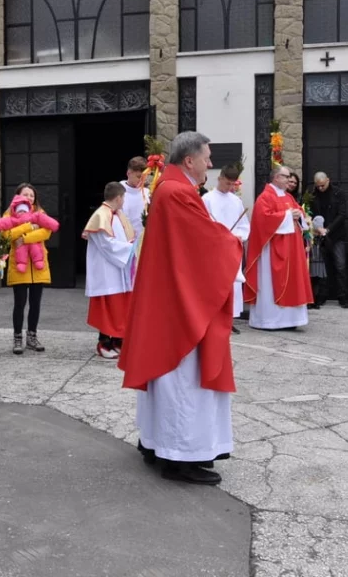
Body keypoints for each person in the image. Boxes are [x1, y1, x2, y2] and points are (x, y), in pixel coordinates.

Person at [120, 131, 242, 486]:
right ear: (189, 160)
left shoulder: (172, 189)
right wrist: (230, 241)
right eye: (206, 158)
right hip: (180, 305)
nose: (209, 164)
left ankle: (157, 444)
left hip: (170, 295)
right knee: (183, 380)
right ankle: (179, 456)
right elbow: (202, 244)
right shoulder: (177, 193)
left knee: (171, 380)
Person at [245, 166, 314, 330]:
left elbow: (299, 214)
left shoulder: (288, 197)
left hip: (292, 248)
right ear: (276, 178)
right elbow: (263, 220)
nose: (289, 180)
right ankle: (270, 320)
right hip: (273, 249)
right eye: (286, 176)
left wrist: (299, 215)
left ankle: (291, 320)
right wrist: (288, 215)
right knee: (272, 284)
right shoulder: (265, 197)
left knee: (293, 280)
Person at [0, 183, 56, 354]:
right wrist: (30, 226)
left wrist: (25, 237)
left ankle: (32, 336)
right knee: (19, 303)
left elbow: (47, 232)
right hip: (19, 265)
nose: (29, 197)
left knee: (35, 303)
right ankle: (17, 338)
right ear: (17, 195)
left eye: (32, 195)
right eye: (26, 194)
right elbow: (7, 234)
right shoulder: (11, 212)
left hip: (38, 264)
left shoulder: (40, 212)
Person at [84, 182, 135, 359]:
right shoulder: (100, 215)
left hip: (118, 270)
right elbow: (107, 245)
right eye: (123, 198)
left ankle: (117, 340)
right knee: (108, 308)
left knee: (121, 307)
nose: (124, 201)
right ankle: (104, 342)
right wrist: (130, 249)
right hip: (106, 271)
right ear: (118, 197)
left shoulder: (118, 215)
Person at [203, 164, 250, 333]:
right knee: (216, 283)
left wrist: (238, 236)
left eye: (232, 184)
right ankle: (214, 317)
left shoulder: (236, 200)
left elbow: (244, 225)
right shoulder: (207, 199)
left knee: (233, 283)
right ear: (220, 178)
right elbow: (203, 224)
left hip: (232, 247)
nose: (230, 187)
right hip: (215, 248)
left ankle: (229, 317)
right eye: (227, 183)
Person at [311, 172, 348, 308]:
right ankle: (321, 295)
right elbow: (309, 213)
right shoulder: (311, 194)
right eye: (318, 186)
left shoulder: (339, 193)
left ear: (328, 180)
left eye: (323, 185)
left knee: (341, 266)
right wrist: (316, 228)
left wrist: (328, 229)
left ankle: (342, 296)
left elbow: (342, 214)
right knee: (322, 267)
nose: (321, 188)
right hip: (318, 235)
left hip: (336, 235)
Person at [120, 156, 150, 244]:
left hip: (145, 242)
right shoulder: (118, 193)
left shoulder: (147, 193)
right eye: (138, 176)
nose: (141, 180)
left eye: (144, 177)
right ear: (129, 173)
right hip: (125, 243)